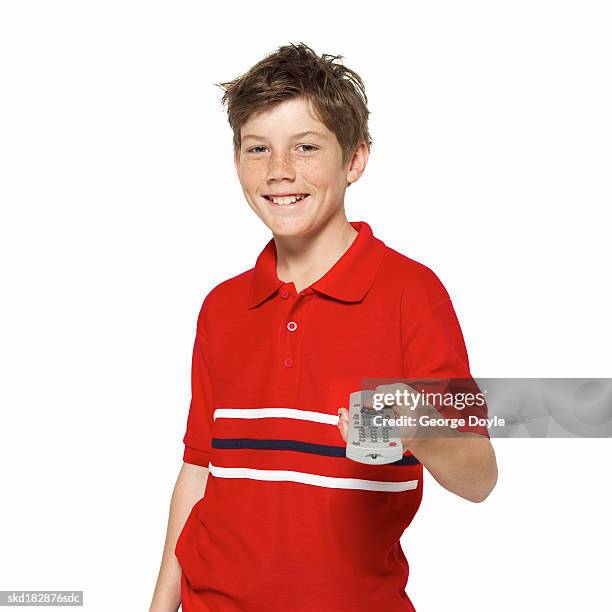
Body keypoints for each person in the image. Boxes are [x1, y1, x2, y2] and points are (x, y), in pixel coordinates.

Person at [149, 42, 498, 612]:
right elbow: (198, 474)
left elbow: (479, 478)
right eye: (257, 148)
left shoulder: (413, 295)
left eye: (306, 148)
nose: (280, 171)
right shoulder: (222, 307)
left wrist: (418, 429)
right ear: (236, 160)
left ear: (355, 159)